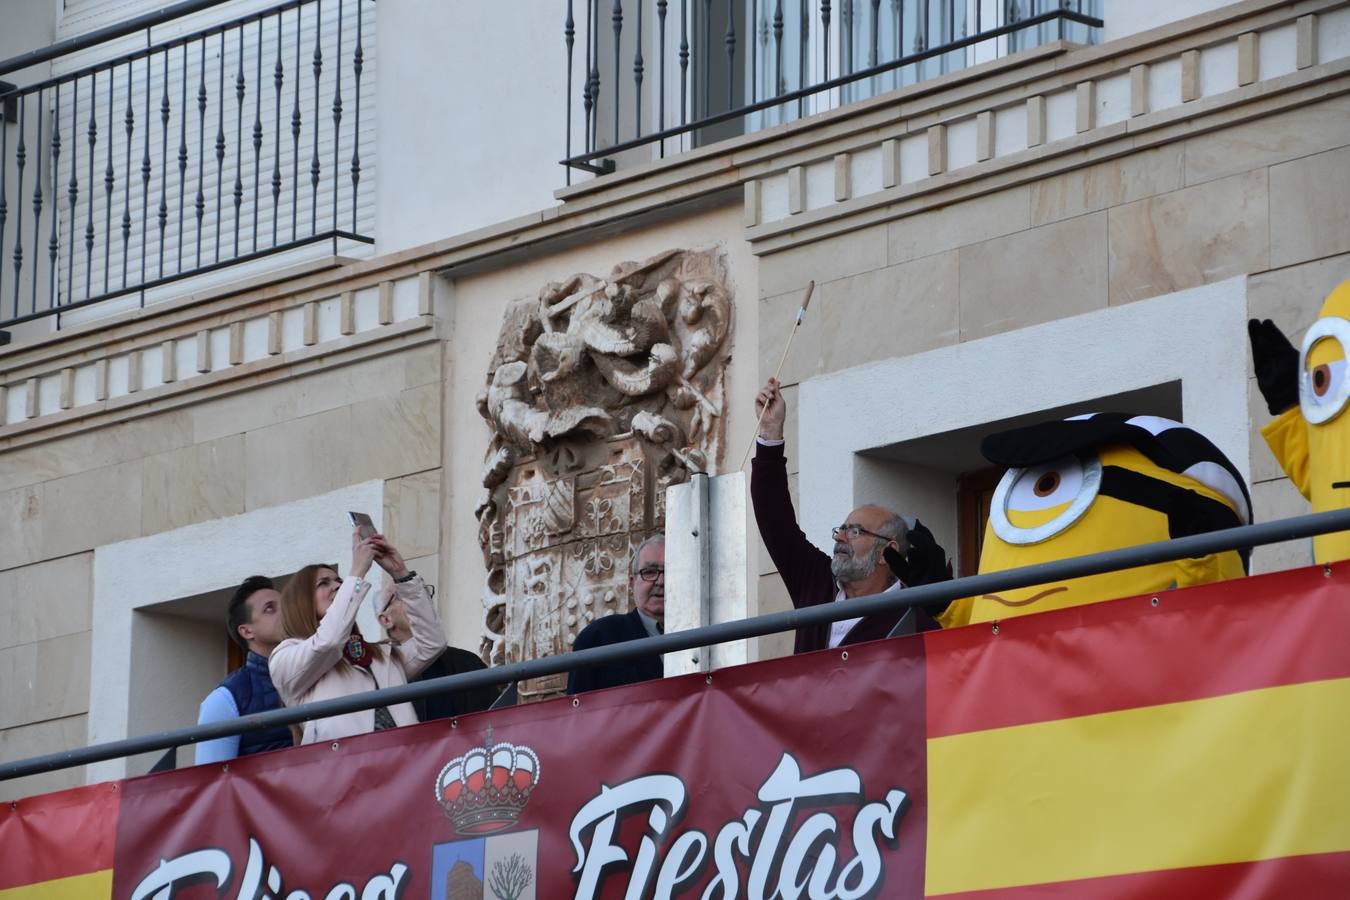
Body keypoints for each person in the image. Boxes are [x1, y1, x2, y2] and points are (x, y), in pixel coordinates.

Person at [752, 377, 951, 653]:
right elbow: (775, 519)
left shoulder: (913, 618)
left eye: (855, 531)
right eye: (841, 529)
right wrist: (770, 431)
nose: (839, 538)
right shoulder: (817, 583)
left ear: (887, 552)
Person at [269, 529, 446, 744]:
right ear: (300, 602)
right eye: (324, 583)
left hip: (404, 760)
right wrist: (358, 570)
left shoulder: (381, 654)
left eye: (339, 580)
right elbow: (328, 643)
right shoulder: (283, 658)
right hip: (342, 763)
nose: (337, 585)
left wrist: (401, 573)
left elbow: (432, 643)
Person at [194, 576, 293, 763]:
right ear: (247, 631)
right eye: (270, 608)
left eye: (285, 605)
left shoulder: (315, 671)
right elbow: (212, 777)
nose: (286, 612)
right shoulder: (226, 698)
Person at [374, 581, 501, 720]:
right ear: (386, 620)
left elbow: (494, 720)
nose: (420, 601)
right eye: (403, 595)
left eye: (423, 593)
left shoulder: (467, 662)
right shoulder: (379, 670)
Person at [566, 536, 665, 694]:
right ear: (632, 583)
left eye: (670, 571)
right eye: (650, 572)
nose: (661, 581)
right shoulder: (599, 639)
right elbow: (578, 706)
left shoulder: (703, 635)